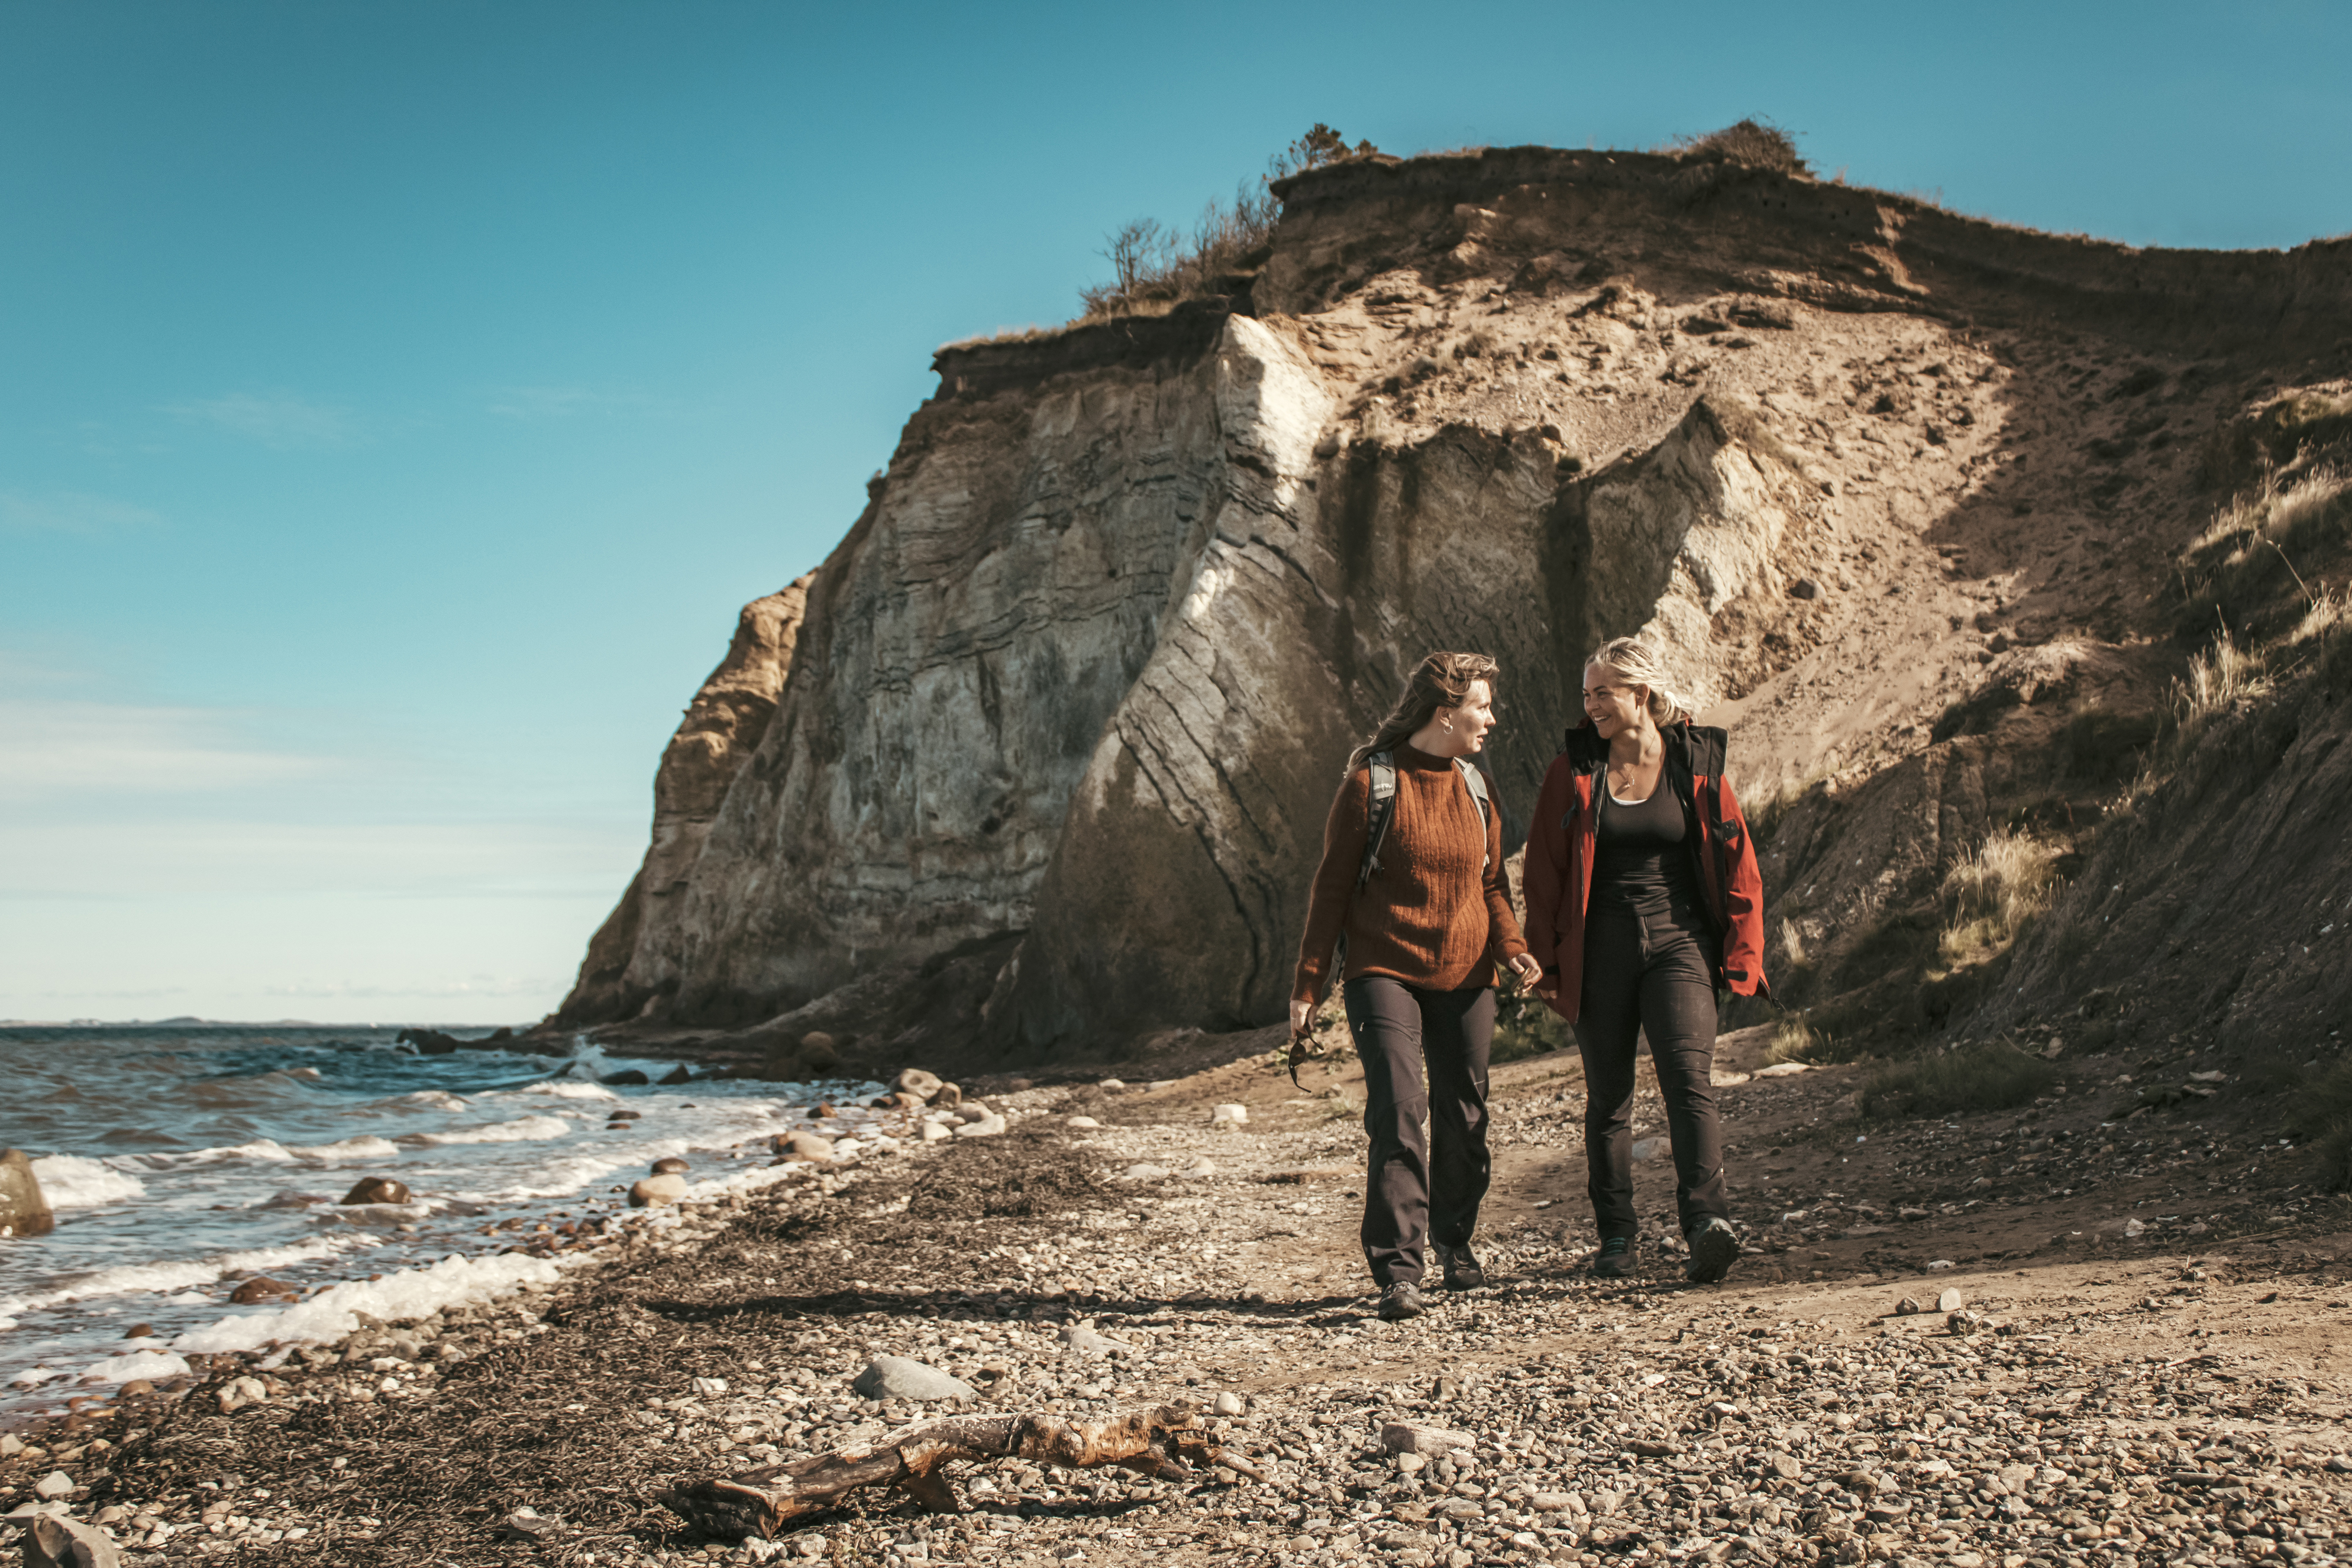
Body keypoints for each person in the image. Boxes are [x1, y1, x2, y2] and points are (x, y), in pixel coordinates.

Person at [1291, 651, 1543, 1322]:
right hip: (1383, 971)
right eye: (1481, 707)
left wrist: (1512, 946)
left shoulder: (1474, 784)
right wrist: (1308, 985)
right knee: (1400, 1109)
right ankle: (1399, 1269)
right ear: (1445, 713)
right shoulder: (1370, 784)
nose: (1490, 718)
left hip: (1467, 971)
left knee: (1465, 1114)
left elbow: (1490, 884)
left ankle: (1455, 1243)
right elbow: (1331, 891)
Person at [1523, 636, 1769, 1284]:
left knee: (1688, 1080)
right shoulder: (1573, 770)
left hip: (1679, 940)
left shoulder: (1694, 763)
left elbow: (1739, 862)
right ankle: (1616, 1238)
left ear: (1641, 693)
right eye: (1586, 693)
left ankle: (1706, 1224)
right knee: (1609, 1097)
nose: (1591, 704)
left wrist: (1744, 954)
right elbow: (1543, 877)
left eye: (1602, 691)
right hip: (1596, 948)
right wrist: (1542, 962)